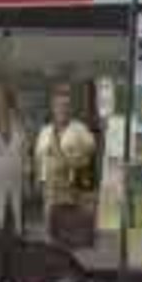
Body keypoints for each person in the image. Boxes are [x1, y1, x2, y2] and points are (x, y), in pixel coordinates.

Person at [34, 86, 96, 242]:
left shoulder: (80, 130)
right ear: (53, 108)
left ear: (71, 109)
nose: (62, 109)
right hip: (49, 189)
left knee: (67, 228)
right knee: (49, 227)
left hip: (70, 190)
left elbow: (88, 157)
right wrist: (38, 179)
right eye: (58, 105)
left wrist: (67, 160)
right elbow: (38, 157)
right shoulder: (45, 131)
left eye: (66, 106)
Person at [0, 82, 26, 282]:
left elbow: (22, 164)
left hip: (13, 209)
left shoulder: (18, 130)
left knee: (13, 267)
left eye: (2, 98)